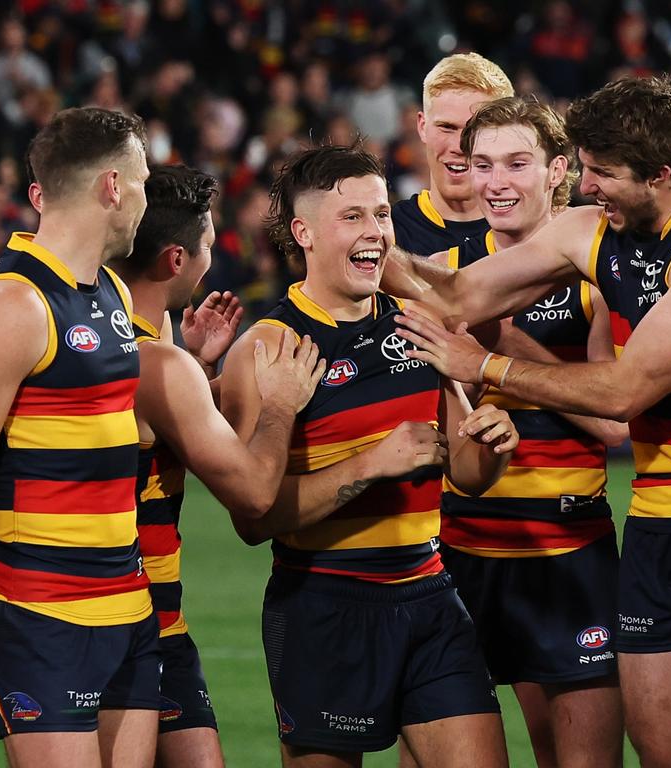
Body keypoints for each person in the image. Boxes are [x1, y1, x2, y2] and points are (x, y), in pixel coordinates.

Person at [388, 75, 671, 767]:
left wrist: (487, 368)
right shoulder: (591, 231)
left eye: (603, 173)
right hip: (656, 520)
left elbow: (625, 390)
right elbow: (463, 291)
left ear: (661, 175)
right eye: (584, 167)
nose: (586, 185)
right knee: (664, 756)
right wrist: (363, 247)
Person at [219, 144, 519, 768]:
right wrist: (369, 465)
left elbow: (465, 473)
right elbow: (254, 518)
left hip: (430, 594)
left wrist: (491, 444)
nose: (376, 233)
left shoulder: (416, 322)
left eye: (381, 215)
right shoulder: (267, 350)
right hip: (324, 606)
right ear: (302, 232)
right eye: (352, 217)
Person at [0, 107, 156, 768]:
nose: (144, 197)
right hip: (41, 612)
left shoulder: (111, 291)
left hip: (129, 607)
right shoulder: (12, 305)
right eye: (141, 180)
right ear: (112, 187)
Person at [428, 96, 627, 768]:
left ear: (557, 171)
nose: (496, 181)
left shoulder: (596, 275)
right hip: (459, 552)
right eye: (482, 165)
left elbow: (614, 421)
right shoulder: (447, 274)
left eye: (516, 163)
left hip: (567, 550)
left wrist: (503, 350)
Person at [115, 164, 326, 768]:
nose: (215, 261)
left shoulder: (129, 343)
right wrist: (280, 405)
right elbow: (255, 497)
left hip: (162, 620)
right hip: (118, 615)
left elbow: (158, 426)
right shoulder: (150, 361)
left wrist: (196, 371)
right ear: (177, 260)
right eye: (209, 247)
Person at [391, 52, 513, 264]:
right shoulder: (385, 236)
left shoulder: (540, 239)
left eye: (475, 130)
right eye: (446, 127)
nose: (459, 146)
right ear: (422, 127)